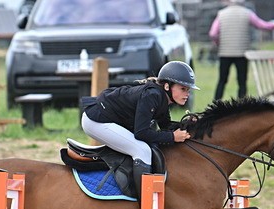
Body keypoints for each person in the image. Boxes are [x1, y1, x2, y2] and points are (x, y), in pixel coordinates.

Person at [81, 61, 198, 201]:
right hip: (96, 121)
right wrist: (173, 137)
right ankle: (146, 205)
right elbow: (141, 133)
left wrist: (188, 125)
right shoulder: (153, 95)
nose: (187, 94)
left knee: (145, 147)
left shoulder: (162, 97)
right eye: (183, 89)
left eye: (188, 90)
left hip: (107, 118)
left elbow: (166, 126)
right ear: (167, 86)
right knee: (142, 150)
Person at [209, 0, 274, 101]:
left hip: (225, 53)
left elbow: (213, 33)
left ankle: (216, 103)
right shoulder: (248, 13)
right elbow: (262, 25)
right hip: (242, 53)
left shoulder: (221, 14)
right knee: (242, 81)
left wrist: (218, 43)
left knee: (222, 80)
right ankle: (242, 105)